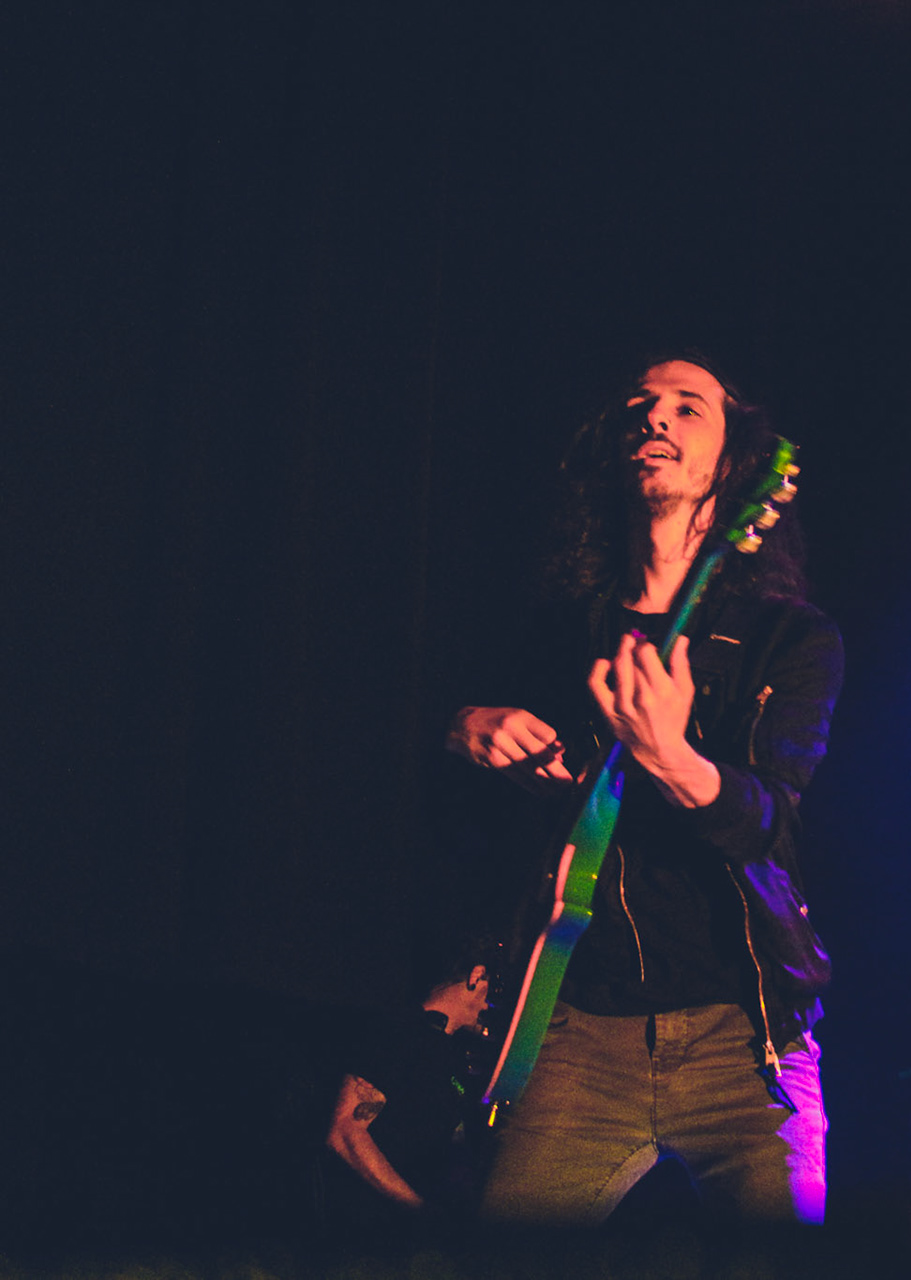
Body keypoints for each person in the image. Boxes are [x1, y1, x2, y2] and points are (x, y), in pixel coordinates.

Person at [445, 355, 841, 1225]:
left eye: (687, 407)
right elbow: (482, 835)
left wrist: (670, 755)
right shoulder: (558, 631)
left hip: (746, 1036)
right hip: (578, 1032)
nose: (655, 418)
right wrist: (466, 729)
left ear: (733, 465)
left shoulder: (789, 639)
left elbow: (769, 821)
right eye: (641, 405)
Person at [321, 938, 494, 1236]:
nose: (494, 1004)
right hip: (364, 1233)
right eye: (495, 988)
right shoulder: (398, 1030)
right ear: (476, 976)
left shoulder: (453, 1055)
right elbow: (345, 1132)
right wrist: (420, 1211)